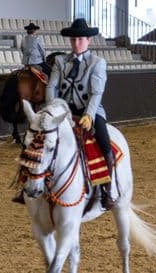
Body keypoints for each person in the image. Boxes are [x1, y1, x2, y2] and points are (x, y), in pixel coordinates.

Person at [47, 18, 115, 210]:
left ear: (88, 40)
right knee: (38, 138)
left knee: (104, 143)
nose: (76, 43)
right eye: (73, 40)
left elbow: (96, 93)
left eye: (80, 39)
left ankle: (106, 189)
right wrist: (52, 110)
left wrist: (89, 115)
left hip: (89, 110)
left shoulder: (97, 63)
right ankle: (28, 183)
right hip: (64, 111)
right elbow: (51, 87)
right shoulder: (60, 61)